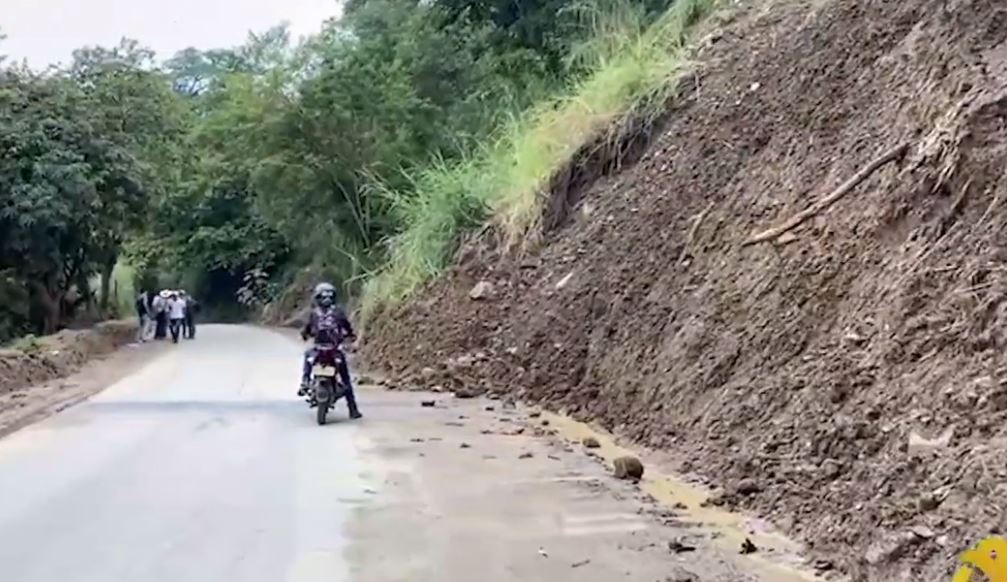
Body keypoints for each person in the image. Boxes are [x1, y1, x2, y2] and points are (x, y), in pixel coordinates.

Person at [299, 283, 361, 419]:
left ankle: (304, 381)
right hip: (334, 351)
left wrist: (305, 335)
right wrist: (350, 336)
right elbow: (347, 328)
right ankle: (353, 410)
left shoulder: (314, 313)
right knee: (346, 381)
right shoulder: (338, 312)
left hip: (318, 350)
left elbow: (305, 330)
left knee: (307, 359)